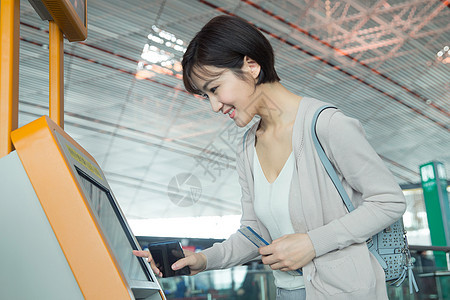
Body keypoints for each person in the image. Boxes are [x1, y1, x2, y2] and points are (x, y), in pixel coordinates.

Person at [134, 15, 406, 300]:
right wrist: (202, 260)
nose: (214, 106)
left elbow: (389, 200)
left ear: (250, 65)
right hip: (286, 292)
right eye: (206, 96)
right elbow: (255, 233)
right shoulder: (247, 147)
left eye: (214, 89)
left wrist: (313, 243)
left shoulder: (327, 125)